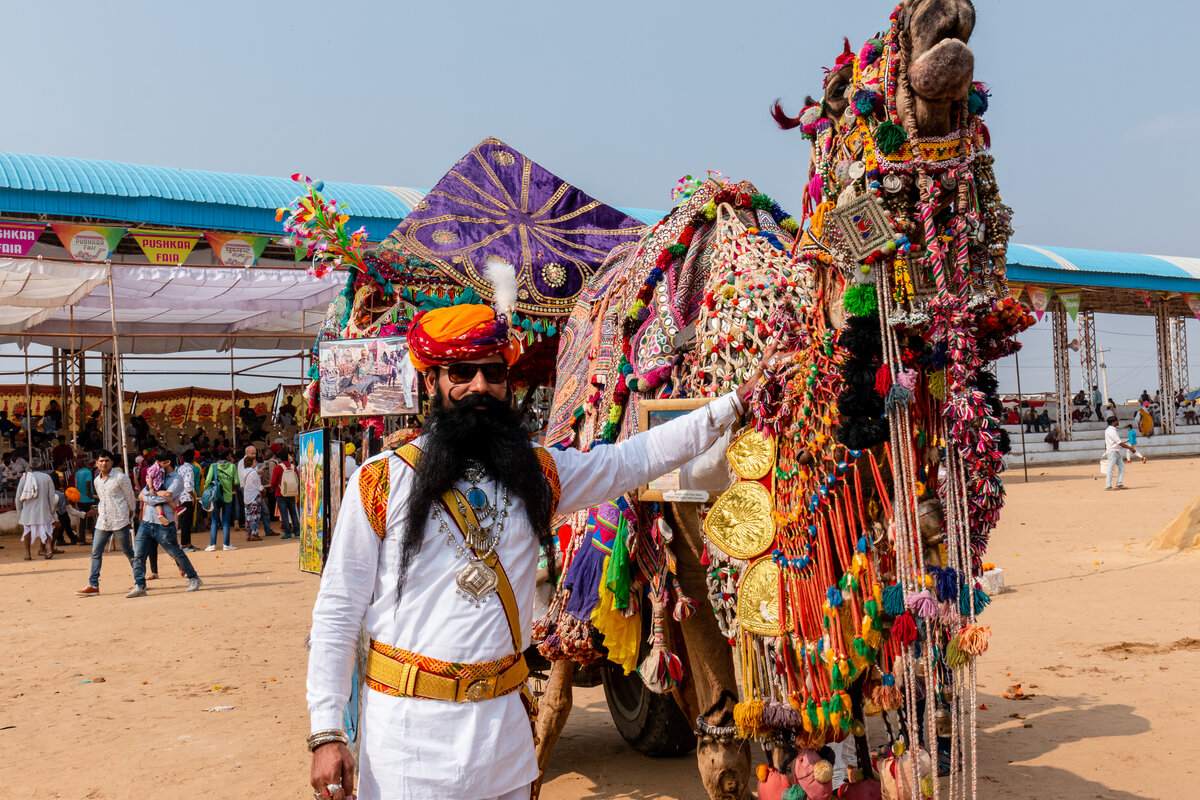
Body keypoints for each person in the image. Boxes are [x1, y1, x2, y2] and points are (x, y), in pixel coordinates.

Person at [306, 302, 769, 800]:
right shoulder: (380, 481)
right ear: (430, 382)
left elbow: (634, 459)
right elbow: (338, 611)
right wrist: (326, 733)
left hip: (503, 741)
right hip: (406, 746)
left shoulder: (540, 473)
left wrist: (731, 405)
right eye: (461, 373)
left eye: (493, 373)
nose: (480, 386)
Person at [127, 452, 202, 598]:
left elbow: (163, 497)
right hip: (147, 521)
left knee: (175, 553)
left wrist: (151, 496)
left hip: (164, 524)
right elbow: (142, 495)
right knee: (138, 555)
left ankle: (194, 577)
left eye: (159, 462)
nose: (156, 465)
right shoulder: (155, 474)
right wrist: (156, 495)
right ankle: (139, 585)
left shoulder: (177, 479)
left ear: (167, 462)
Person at [76, 451, 138, 596]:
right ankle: (93, 584)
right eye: (101, 461)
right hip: (103, 521)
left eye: (107, 461)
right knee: (95, 552)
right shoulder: (97, 481)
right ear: (96, 463)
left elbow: (130, 499)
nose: (104, 463)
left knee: (128, 551)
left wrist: (130, 517)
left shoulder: (120, 478)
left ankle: (139, 581)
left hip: (119, 520)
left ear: (112, 462)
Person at [16, 467, 57, 560]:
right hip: (43, 509)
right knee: (46, 530)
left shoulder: (25, 477)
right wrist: (51, 510)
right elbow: (51, 496)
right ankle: (49, 550)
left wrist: (19, 510)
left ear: (30, 468)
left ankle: (28, 554)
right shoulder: (47, 477)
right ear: (41, 467)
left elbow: (18, 496)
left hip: (28, 511)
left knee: (27, 531)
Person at [205, 448, 239, 551]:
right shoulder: (232, 466)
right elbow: (236, 481)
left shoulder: (213, 466)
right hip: (227, 497)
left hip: (215, 496)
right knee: (226, 521)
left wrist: (207, 489)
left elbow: (207, 481)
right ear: (227, 456)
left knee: (214, 520)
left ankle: (212, 545)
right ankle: (226, 544)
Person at [271, 448, 301, 539]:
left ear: (279, 459)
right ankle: (297, 532)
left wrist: (273, 488)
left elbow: (273, 482)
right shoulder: (293, 467)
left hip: (281, 493)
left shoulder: (278, 468)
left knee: (284, 514)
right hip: (292, 492)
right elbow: (297, 479)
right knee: (293, 512)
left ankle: (287, 533)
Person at [1104, 416, 1139, 490]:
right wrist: (1130, 448)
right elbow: (1119, 442)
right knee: (1111, 469)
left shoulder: (1108, 430)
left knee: (1121, 466)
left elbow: (1108, 442)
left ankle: (1119, 483)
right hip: (1113, 451)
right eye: (1116, 421)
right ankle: (1108, 485)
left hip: (1114, 451)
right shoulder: (1112, 431)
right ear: (1113, 422)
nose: (1117, 422)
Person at [176, 450, 200, 552]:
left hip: (181, 497)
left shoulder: (180, 468)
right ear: (193, 458)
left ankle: (187, 543)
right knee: (187, 522)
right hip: (188, 497)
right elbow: (188, 485)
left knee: (186, 521)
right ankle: (184, 544)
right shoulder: (190, 469)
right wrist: (193, 496)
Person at [242, 452, 264, 542]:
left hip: (246, 496)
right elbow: (259, 486)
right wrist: (263, 490)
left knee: (248, 516)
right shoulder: (254, 473)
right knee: (255, 515)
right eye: (254, 462)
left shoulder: (243, 473)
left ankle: (248, 534)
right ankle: (254, 534)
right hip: (254, 495)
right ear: (251, 463)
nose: (256, 463)